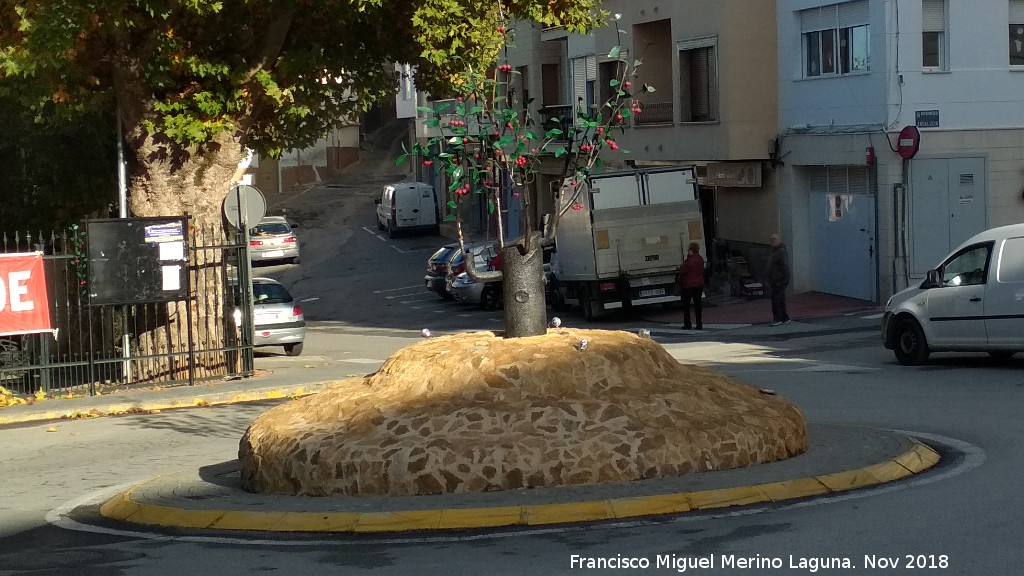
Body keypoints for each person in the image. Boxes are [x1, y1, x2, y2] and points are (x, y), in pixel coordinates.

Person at [677, 242, 705, 330]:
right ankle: (699, 324)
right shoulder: (700, 259)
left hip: (688, 286)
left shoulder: (689, 261)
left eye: (688, 249)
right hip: (699, 285)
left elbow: (682, 271)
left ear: (691, 250)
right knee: (698, 305)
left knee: (686, 306)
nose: (687, 251)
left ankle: (687, 324)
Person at [766, 233, 791, 326]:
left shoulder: (780, 251)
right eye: (771, 240)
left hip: (779, 280)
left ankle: (778, 318)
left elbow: (784, 267)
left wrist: (780, 278)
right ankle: (785, 317)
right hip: (777, 279)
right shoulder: (775, 251)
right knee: (780, 298)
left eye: (774, 239)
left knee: (776, 299)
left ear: (778, 240)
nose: (772, 242)